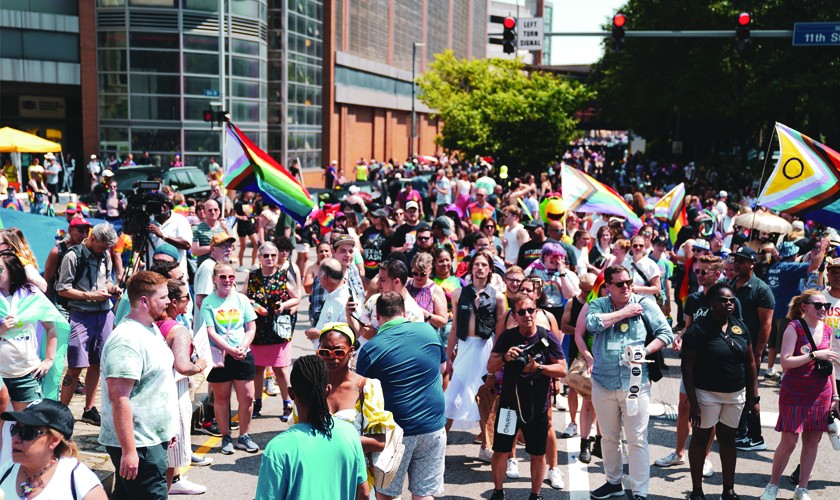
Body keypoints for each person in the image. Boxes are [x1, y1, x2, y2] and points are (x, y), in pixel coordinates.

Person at [585, 265, 674, 500]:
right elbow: (592, 324)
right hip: (604, 382)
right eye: (620, 284)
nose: (626, 287)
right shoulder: (599, 305)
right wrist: (624, 312)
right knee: (609, 437)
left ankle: (639, 490)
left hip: (636, 382)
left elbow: (666, 333)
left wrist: (645, 351)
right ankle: (613, 483)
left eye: (628, 282)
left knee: (637, 439)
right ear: (608, 287)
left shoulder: (644, 304)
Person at [356, 292, 447, 500]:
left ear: (377, 316)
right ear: (404, 311)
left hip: (394, 434)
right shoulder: (429, 330)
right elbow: (442, 367)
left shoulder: (371, 348)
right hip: (432, 427)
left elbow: (361, 394)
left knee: (386, 495)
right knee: (424, 494)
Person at [99, 271, 178, 499]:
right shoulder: (127, 340)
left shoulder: (150, 328)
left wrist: (166, 428)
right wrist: (129, 451)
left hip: (151, 439)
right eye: (162, 297)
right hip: (140, 446)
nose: (168, 302)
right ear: (144, 301)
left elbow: (156, 383)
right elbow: (119, 397)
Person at [682, 282, 758, 500]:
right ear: (711, 303)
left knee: (728, 440)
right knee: (700, 439)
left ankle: (728, 490)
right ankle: (697, 490)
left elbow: (751, 362)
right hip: (706, 395)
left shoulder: (740, 327)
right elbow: (687, 367)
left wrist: (754, 396)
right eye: (723, 300)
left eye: (731, 300)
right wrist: (693, 403)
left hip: (735, 395)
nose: (728, 304)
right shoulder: (698, 330)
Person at [760, 290, 840, 500]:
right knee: (789, 442)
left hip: (820, 392)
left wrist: (835, 396)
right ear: (804, 306)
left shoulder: (828, 330)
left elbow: (828, 364)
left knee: (813, 441)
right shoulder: (794, 327)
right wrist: (814, 354)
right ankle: (772, 486)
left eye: (826, 306)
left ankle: (802, 489)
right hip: (795, 392)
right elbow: (785, 362)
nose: (823, 309)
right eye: (818, 305)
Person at [487, 296, 567, 500]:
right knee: (500, 451)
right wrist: (505, 357)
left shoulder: (546, 337)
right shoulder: (507, 337)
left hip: (536, 407)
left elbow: (562, 369)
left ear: (537, 311)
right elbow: (490, 366)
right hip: (509, 406)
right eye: (521, 312)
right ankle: (497, 491)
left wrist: (539, 368)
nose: (527, 315)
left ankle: (535, 495)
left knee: (537, 453)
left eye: (531, 310)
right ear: (514, 315)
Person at [255, 355, 368, 500]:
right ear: (327, 390)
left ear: (291, 394)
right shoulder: (350, 433)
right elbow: (363, 493)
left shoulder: (278, 448)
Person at [317, 322, 397, 489]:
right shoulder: (313, 387)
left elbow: (379, 442)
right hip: (318, 473)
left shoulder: (367, 387)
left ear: (351, 351)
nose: (332, 357)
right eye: (325, 352)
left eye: (339, 351)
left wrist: (332, 441)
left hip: (354, 476)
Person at [56, 223, 121, 424]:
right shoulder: (73, 256)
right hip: (80, 315)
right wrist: (90, 296)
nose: (104, 251)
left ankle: (89, 409)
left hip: (103, 314)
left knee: (97, 363)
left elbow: (107, 281)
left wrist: (113, 289)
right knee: (76, 365)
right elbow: (62, 289)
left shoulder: (106, 255)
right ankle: (62, 412)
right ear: (92, 239)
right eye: (102, 246)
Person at [156, 279, 209, 495]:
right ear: (174, 302)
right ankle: (167, 489)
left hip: (160, 390)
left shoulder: (154, 324)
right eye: (186, 297)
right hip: (174, 391)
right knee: (172, 453)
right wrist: (199, 366)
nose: (189, 301)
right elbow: (183, 366)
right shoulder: (174, 328)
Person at [446, 250, 506, 436]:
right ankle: (440, 441)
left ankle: (485, 444)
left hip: (485, 349)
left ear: (490, 270)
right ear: (471, 268)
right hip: (464, 348)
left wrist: (498, 360)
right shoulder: (458, 294)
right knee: (451, 396)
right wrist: (447, 357)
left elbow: (500, 332)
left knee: (483, 396)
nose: (479, 268)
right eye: (476, 265)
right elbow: (455, 328)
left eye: (484, 265)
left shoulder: (498, 297)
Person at [202, 262, 259, 455]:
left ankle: (244, 436)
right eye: (223, 277)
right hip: (221, 356)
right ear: (215, 279)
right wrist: (230, 350)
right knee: (222, 398)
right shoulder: (208, 302)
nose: (227, 280)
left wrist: (242, 347)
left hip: (242, 353)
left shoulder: (242, 299)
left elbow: (251, 328)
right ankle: (226, 436)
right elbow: (210, 331)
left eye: (231, 277)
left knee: (248, 397)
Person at [0, 399, 107, 499]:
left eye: (27, 432)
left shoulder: (81, 484)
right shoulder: (5, 472)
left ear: (54, 440)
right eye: (14, 429)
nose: (15, 439)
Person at [0, 251, 67, 408]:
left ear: (12, 270)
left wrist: (49, 360)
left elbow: (51, 328)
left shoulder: (30, 294)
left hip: (26, 373)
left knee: (27, 424)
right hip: (0, 374)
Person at [246, 241, 300, 421]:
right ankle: (257, 403)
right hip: (258, 330)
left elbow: (296, 298)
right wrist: (254, 306)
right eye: (266, 255)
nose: (270, 259)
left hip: (278, 330)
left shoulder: (284, 275)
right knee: (258, 369)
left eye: (273, 255)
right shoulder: (252, 276)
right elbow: (244, 298)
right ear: (259, 257)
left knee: (281, 370)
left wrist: (282, 305)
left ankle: (288, 405)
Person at [728, 246, 775, 452]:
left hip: (750, 350)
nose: (737, 263)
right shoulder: (731, 284)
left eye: (742, 260)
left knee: (751, 392)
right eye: (735, 259)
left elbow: (766, 324)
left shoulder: (761, 289)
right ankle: (740, 431)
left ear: (752, 263)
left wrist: (757, 352)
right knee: (737, 389)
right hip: (732, 349)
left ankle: (755, 436)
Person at [191, 199, 231, 267]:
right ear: (205, 212)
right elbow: (195, 251)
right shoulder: (196, 229)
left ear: (219, 211)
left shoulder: (224, 227)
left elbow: (233, 247)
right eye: (210, 210)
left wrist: (226, 229)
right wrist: (214, 247)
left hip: (221, 268)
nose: (213, 212)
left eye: (216, 210)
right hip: (205, 268)